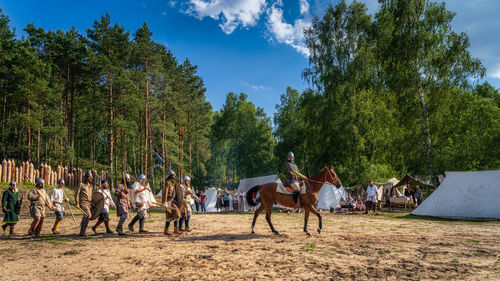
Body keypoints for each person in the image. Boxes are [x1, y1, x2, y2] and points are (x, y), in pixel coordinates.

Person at [163, 169, 183, 235]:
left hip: (173, 201)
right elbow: (165, 192)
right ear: (171, 176)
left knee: (171, 216)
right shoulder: (168, 182)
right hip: (169, 201)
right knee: (176, 214)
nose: (174, 176)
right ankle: (174, 230)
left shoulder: (173, 183)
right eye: (173, 175)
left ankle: (167, 230)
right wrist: (165, 202)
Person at [75, 170, 94, 236]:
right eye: (90, 177)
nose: (91, 178)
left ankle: (82, 231)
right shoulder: (81, 185)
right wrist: (77, 203)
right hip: (83, 202)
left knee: (86, 216)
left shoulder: (90, 186)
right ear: (86, 177)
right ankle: (83, 230)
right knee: (88, 215)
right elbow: (77, 194)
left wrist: (92, 202)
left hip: (89, 203)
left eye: (91, 177)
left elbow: (91, 195)